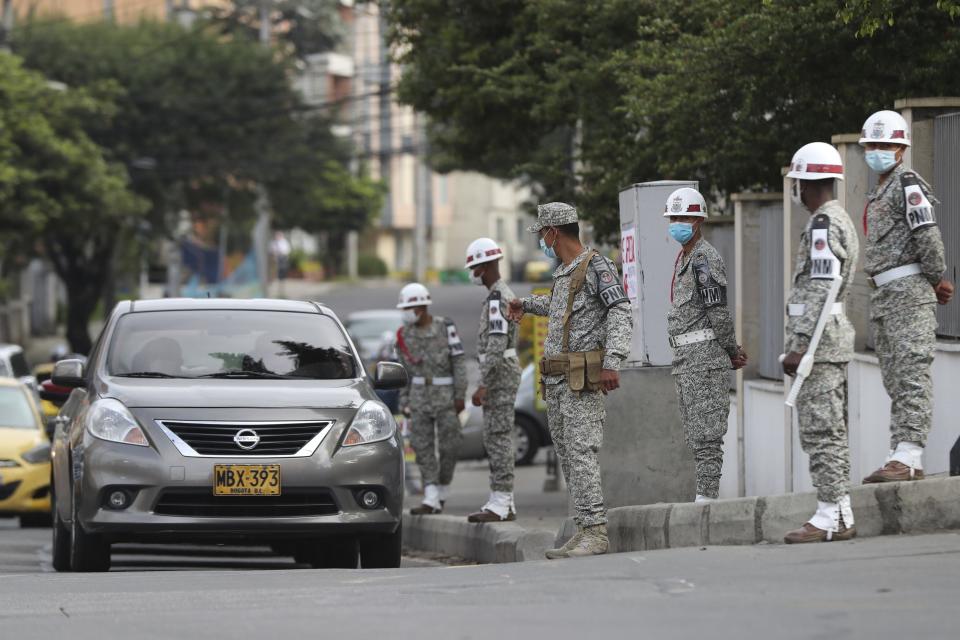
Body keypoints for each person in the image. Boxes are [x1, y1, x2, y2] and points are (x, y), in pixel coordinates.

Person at [506, 202, 632, 558]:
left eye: (542, 235)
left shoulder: (597, 266)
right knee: (567, 456)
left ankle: (596, 532)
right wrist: (526, 304)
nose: (541, 242)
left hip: (581, 381)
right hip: (560, 383)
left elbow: (620, 309)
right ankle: (583, 527)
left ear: (554, 233)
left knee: (581, 454)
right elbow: (560, 309)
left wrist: (613, 361)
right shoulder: (566, 272)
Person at [858, 110, 954, 483]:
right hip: (885, 295)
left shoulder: (907, 183)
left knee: (912, 373)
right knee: (895, 378)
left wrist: (934, 277)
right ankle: (901, 452)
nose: (877, 151)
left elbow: (927, 234)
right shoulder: (880, 189)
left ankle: (909, 453)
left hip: (909, 291)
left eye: (885, 144)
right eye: (872, 145)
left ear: (901, 148)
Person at [780, 143, 860, 543]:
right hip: (829, 342)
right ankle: (839, 512)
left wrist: (800, 346)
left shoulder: (823, 225)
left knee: (821, 432)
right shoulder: (837, 220)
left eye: (797, 182)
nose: (795, 189)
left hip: (819, 346)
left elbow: (820, 287)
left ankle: (831, 514)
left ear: (806, 184)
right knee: (830, 431)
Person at [664, 187, 746, 503]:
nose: (676, 223)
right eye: (673, 217)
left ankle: (707, 501)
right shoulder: (685, 258)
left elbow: (717, 311)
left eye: (683, 217)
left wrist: (731, 350)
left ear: (698, 220)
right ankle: (703, 496)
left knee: (708, 436)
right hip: (686, 357)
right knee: (696, 434)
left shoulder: (703, 259)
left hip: (704, 356)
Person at [395, 283, 468, 514]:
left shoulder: (445, 327)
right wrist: (404, 401)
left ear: (421, 307)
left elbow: (458, 362)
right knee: (422, 446)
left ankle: (443, 486)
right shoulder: (403, 335)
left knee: (451, 445)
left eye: (409, 307)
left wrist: (460, 395)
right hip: (418, 397)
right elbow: (403, 372)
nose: (405, 312)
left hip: (446, 396)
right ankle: (430, 494)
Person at [463, 237, 522, 523]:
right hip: (500, 372)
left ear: (484, 267)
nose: (473, 274)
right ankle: (502, 499)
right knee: (496, 435)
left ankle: (501, 501)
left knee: (498, 436)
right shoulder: (496, 296)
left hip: (498, 374)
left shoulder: (498, 298)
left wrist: (483, 383)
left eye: (474, 268)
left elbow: (497, 344)